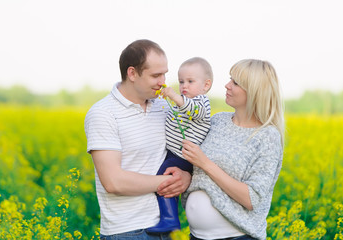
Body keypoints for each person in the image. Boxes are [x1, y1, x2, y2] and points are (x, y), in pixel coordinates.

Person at [84, 39, 192, 240]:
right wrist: (169, 182)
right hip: (128, 232)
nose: (163, 82)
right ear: (132, 73)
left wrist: (185, 177)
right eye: (156, 75)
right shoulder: (103, 113)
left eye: (165, 74)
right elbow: (114, 182)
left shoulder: (164, 107)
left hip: (166, 229)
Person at [181, 59, 285, 240]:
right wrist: (184, 174)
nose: (227, 85)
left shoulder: (267, 136)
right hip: (196, 236)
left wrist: (205, 163)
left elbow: (251, 199)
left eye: (235, 83)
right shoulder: (217, 120)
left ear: (254, 91)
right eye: (230, 79)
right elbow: (198, 170)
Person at [147, 57, 213, 233]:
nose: (184, 86)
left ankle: (170, 219)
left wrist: (174, 97)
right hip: (173, 153)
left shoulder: (201, 103)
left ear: (206, 85)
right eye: (181, 81)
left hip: (183, 157)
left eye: (190, 81)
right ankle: (168, 216)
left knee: (163, 179)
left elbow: (192, 110)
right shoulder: (180, 103)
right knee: (165, 178)